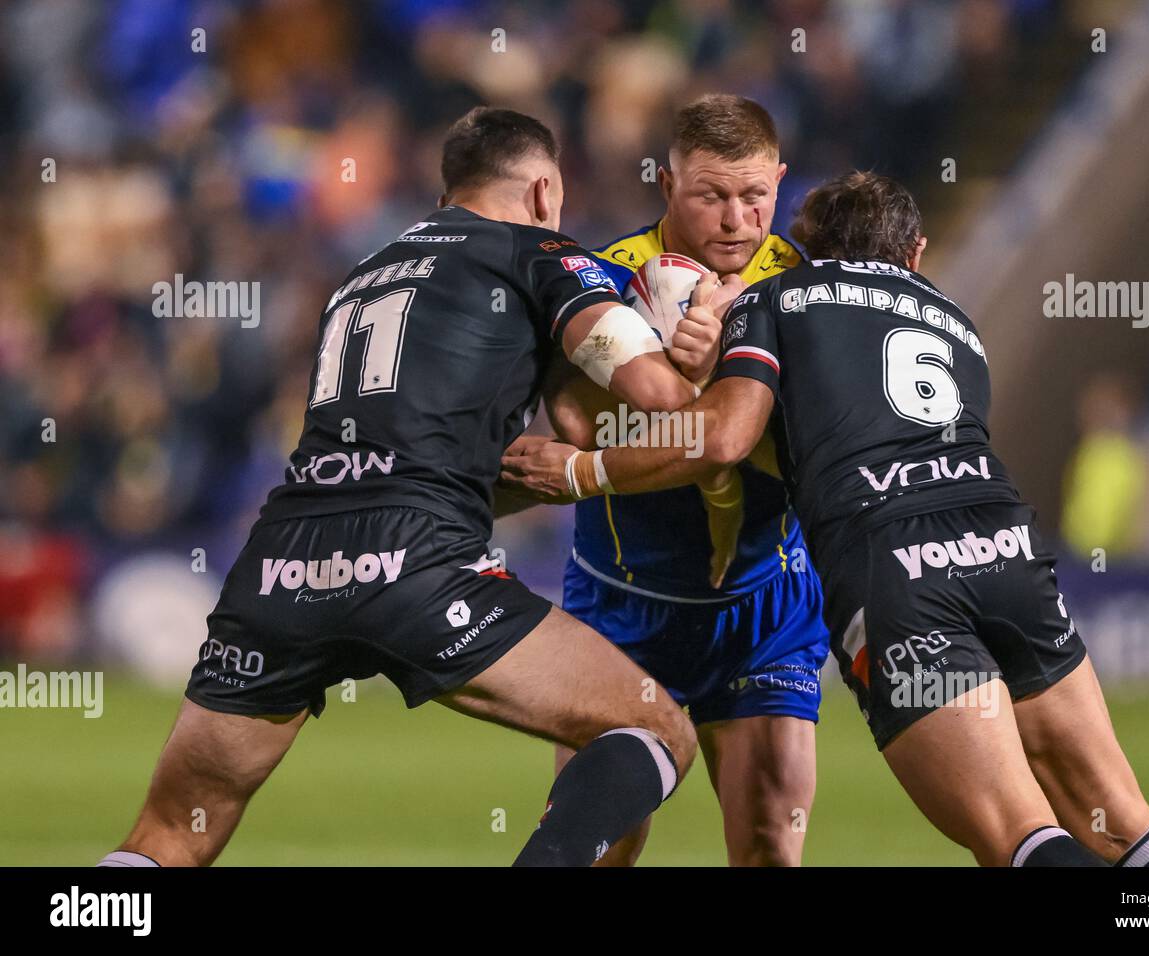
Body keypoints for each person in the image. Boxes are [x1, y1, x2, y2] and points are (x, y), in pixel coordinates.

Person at [504, 171, 1149, 867]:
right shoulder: (955, 320)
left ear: (804, 248)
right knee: (1124, 823)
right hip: (1006, 547)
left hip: (896, 570)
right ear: (917, 251)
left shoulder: (776, 297)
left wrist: (583, 467)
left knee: (1019, 835)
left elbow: (724, 439)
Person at [97, 107, 731, 868]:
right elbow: (656, 398)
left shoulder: (360, 277)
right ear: (542, 192)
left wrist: (552, 465)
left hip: (282, 557)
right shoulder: (543, 251)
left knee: (170, 835)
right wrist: (699, 340)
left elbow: (412, 450)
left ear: (445, 197)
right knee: (652, 729)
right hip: (415, 560)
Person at [537, 95, 830, 866]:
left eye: (755, 196)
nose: (737, 219)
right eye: (711, 195)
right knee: (598, 849)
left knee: (770, 846)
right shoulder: (603, 278)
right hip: (622, 608)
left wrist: (729, 372)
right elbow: (572, 421)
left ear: (780, 184)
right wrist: (672, 377)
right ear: (667, 187)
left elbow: (817, 439)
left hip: (764, 609)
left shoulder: (803, 286)